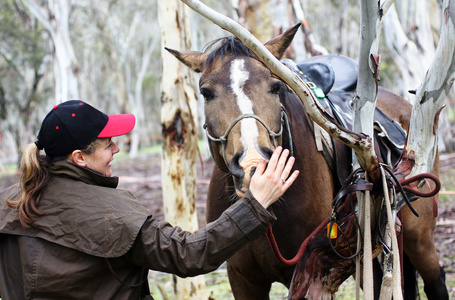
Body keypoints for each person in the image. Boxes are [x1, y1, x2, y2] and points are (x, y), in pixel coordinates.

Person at [0, 100, 299, 299]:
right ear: (79, 157)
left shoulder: (8, 200)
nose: (116, 149)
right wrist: (254, 205)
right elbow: (190, 254)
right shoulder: (113, 215)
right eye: (107, 144)